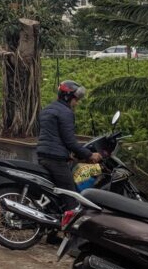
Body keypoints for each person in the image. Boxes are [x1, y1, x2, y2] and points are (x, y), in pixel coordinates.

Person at [36, 80, 102, 208]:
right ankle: (72, 218)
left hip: (43, 155)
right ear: (67, 97)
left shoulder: (46, 110)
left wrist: (68, 155)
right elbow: (70, 141)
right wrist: (90, 155)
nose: (76, 103)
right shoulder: (65, 112)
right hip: (55, 160)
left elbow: (53, 136)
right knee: (71, 195)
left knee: (56, 190)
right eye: (75, 99)